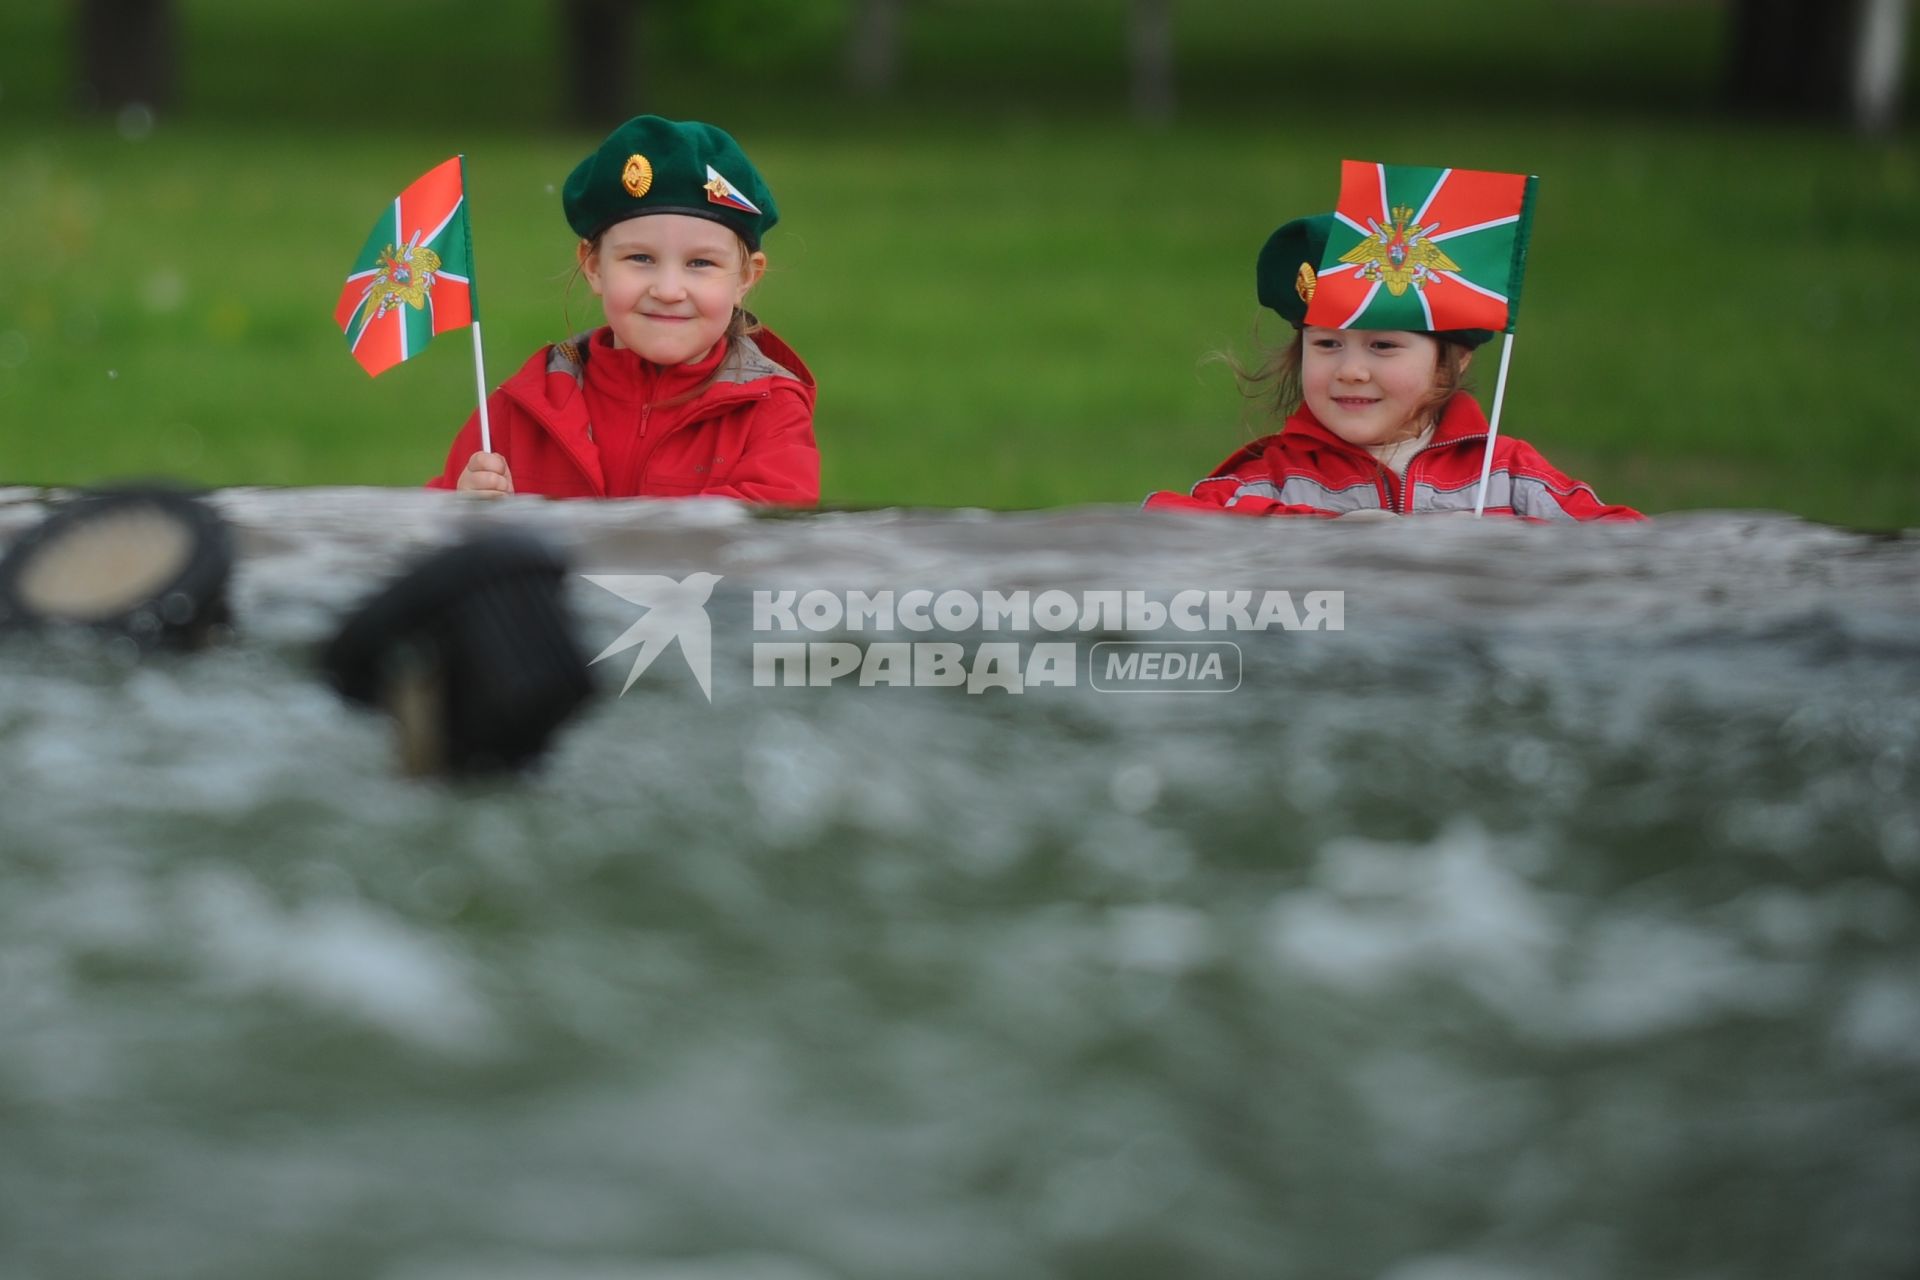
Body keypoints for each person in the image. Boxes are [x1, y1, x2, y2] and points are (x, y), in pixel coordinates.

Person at [1144, 214, 1641, 521]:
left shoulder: (1509, 477)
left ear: (1456, 357)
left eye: (1382, 345)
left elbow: (1632, 545)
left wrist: (1504, 549)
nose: (1351, 370)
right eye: (1327, 344)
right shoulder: (1270, 479)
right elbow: (1157, 523)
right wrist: (1320, 531)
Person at [430, 116, 819, 502]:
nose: (668, 290)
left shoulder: (770, 410)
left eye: (701, 263)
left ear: (746, 278)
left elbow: (776, 538)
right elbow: (422, 540)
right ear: (595, 267)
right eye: (640, 258)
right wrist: (461, 511)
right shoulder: (523, 409)